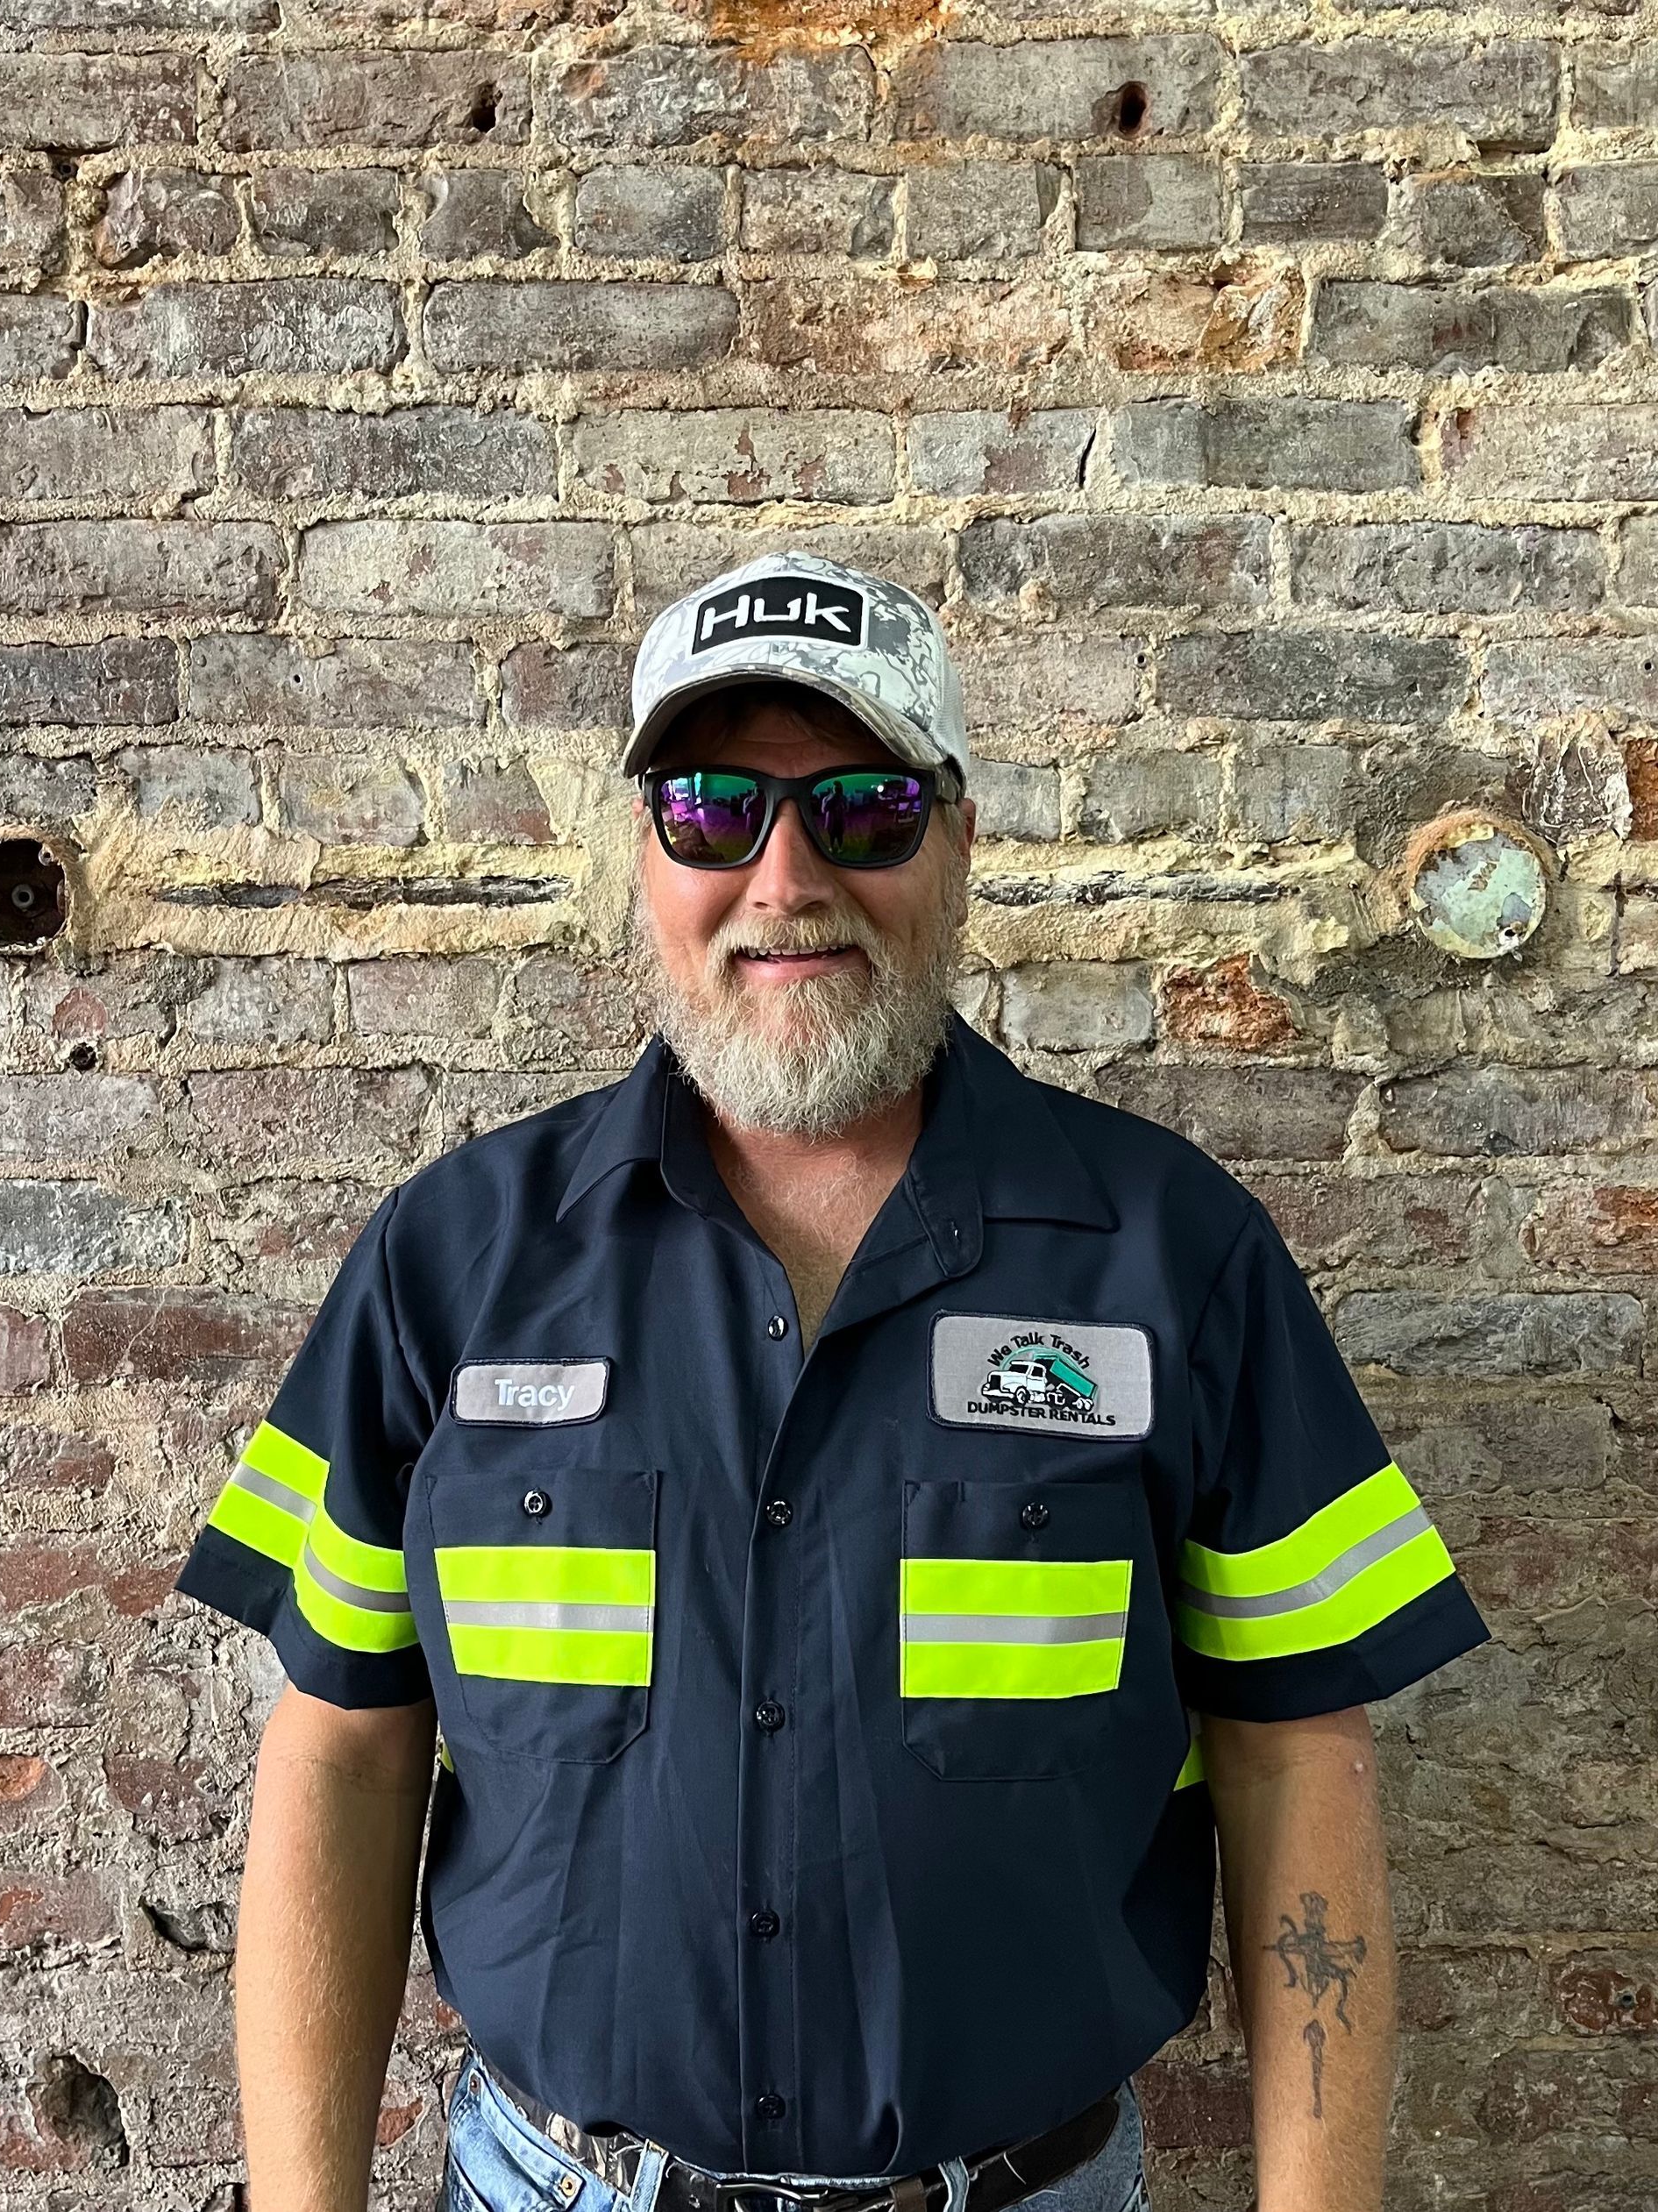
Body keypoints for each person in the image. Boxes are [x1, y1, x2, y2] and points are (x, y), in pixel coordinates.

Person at [171, 549, 1491, 2212]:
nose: (785, 877)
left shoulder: (1179, 1260)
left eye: (860, 808)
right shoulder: (452, 1263)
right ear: (645, 860)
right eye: (714, 812)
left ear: (957, 842)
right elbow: (345, 1755)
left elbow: (1299, 1766)